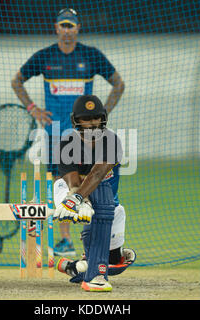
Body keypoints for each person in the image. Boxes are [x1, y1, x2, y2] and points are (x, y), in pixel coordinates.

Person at [11, 8, 125, 256]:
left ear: (77, 28)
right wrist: (33, 109)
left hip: (87, 136)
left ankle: (94, 236)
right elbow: (16, 80)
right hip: (56, 133)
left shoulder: (91, 56)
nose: (66, 30)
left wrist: (102, 115)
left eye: (70, 25)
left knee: (94, 178)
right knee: (60, 182)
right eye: (63, 25)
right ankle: (65, 240)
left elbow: (119, 83)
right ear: (56, 28)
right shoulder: (44, 56)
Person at [53, 94, 135, 292]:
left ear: (103, 118)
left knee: (115, 263)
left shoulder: (112, 140)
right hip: (75, 196)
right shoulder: (66, 144)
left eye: (96, 118)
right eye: (86, 119)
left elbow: (98, 173)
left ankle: (75, 267)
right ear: (76, 120)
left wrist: (80, 198)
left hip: (108, 205)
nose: (91, 123)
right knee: (60, 187)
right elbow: (72, 180)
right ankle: (92, 271)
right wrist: (79, 199)